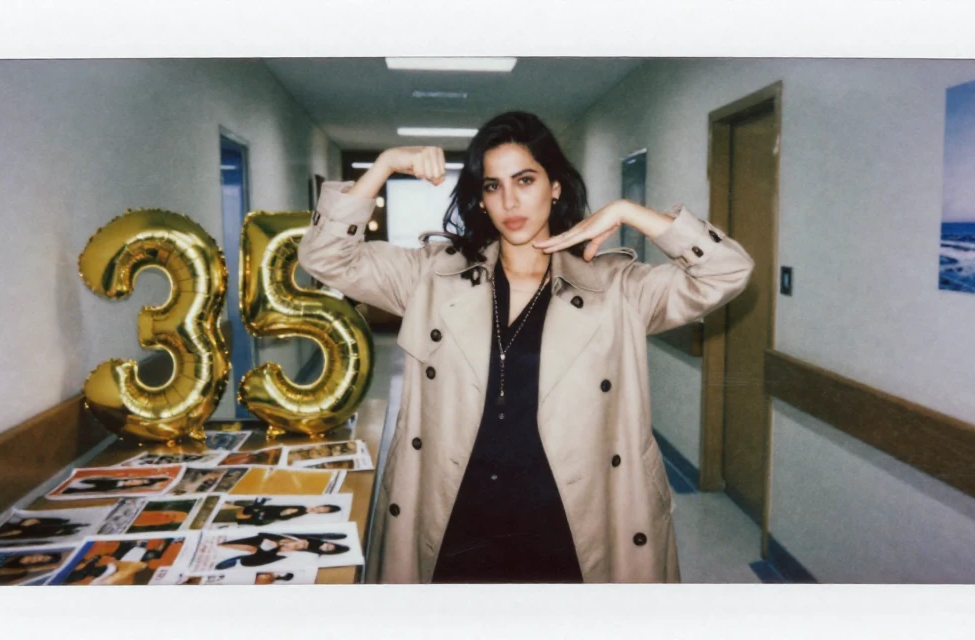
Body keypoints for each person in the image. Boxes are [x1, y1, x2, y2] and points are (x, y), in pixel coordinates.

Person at [298, 111, 754, 584]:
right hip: (456, 517)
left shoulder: (617, 288)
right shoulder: (432, 277)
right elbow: (325, 256)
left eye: (525, 179)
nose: (510, 200)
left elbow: (728, 271)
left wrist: (629, 212)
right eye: (493, 186)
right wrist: (384, 165)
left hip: (570, 523)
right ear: (480, 197)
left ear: (555, 187)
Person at [214, 532, 350, 569]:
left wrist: (284, 547)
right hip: (264, 541)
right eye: (327, 545)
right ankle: (221, 545)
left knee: (252, 550)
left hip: (264, 553)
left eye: (327, 549)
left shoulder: (308, 552)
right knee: (253, 545)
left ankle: (221, 548)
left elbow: (281, 553)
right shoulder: (308, 538)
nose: (324, 546)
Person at [227, 498, 342, 526]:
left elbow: (282, 516)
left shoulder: (302, 512)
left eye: (324, 510)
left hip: (262, 517)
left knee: (234, 516)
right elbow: (280, 507)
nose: (321, 509)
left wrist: (285, 513)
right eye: (324, 507)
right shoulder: (301, 507)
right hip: (262, 510)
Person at [60, 476, 168, 495]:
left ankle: (71, 490)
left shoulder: (117, 488)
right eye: (140, 480)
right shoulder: (112, 481)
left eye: (141, 483)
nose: (137, 481)